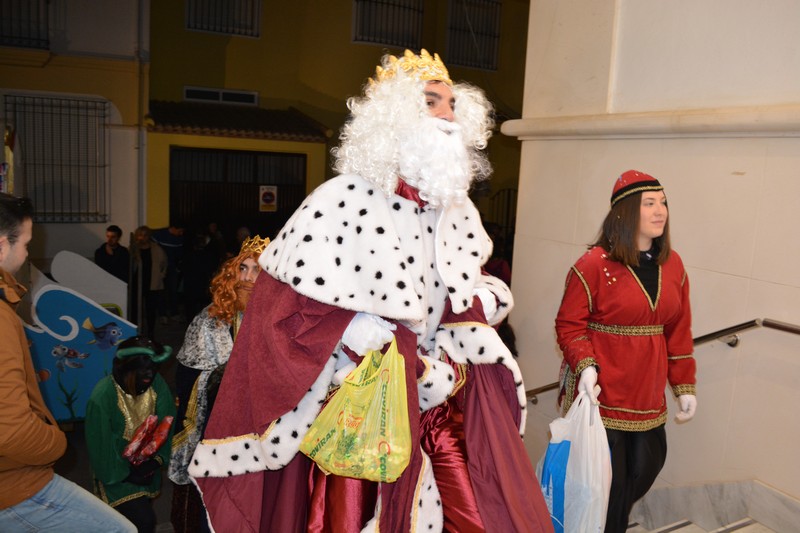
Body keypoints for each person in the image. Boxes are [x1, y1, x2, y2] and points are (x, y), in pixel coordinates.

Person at [189, 49, 553, 532]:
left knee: (476, 514)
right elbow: (279, 310)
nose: (447, 115)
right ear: (393, 116)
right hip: (362, 416)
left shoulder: (457, 211)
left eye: (451, 104)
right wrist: (355, 329)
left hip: (439, 402)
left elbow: (469, 282)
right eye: (431, 102)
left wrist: (482, 300)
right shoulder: (342, 200)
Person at [554, 170, 698, 533]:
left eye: (663, 202)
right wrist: (586, 367)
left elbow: (679, 330)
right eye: (649, 203)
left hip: (648, 396)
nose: (660, 211)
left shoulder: (674, 264)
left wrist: (684, 385)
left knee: (645, 469)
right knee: (608, 488)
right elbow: (569, 325)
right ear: (626, 211)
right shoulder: (594, 265)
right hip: (604, 394)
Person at [0, 192, 135, 532]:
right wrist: (56, 443)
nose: (28, 253)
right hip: (15, 486)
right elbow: (11, 431)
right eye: (27, 244)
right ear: (2, 246)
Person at [168, 235, 268, 533]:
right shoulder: (210, 321)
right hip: (215, 431)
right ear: (232, 272)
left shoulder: (274, 321)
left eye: (258, 271)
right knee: (213, 505)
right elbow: (185, 377)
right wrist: (218, 378)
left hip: (260, 433)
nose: (248, 278)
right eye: (244, 268)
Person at [84, 335, 176, 533]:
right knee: (143, 521)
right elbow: (100, 448)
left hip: (147, 469)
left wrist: (156, 461)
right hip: (116, 475)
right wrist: (128, 474)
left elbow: (168, 422)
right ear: (125, 367)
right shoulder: (103, 396)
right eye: (143, 368)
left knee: (137, 522)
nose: (149, 374)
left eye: (153, 368)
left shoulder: (156, 384)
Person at [131, 225, 167, 336]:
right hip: (137, 283)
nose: (142, 238)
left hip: (152, 283)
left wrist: (161, 275)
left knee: (151, 309)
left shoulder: (156, 248)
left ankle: (150, 331)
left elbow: (164, 263)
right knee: (135, 309)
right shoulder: (133, 249)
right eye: (140, 235)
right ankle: (135, 330)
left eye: (145, 235)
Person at [152, 222, 186, 322]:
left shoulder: (179, 239)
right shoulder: (159, 235)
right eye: (180, 231)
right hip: (161, 268)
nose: (181, 233)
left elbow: (180, 255)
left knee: (173, 291)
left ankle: (174, 312)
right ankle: (162, 314)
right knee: (161, 291)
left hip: (172, 269)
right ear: (173, 228)